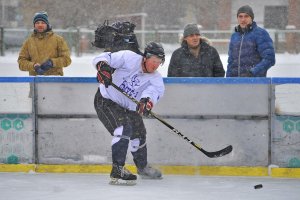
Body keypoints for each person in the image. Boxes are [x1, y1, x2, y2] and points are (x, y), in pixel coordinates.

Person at [92, 42, 165, 185]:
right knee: (123, 128)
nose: (155, 65)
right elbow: (103, 58)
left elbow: (153, 93)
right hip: (106, 100)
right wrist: (104, 69)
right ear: (145, 57)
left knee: (139, 132)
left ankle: (142, 167)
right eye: (153, 61)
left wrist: (146, 103)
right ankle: (117, 169)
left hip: (128, 108)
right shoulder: (129, 57)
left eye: (159, 62)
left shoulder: (156, 79)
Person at [226, 5, 275, 77]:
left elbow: (269, 59)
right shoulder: (234, 36)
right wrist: (228, 79)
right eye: (240, 16)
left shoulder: (260, 33)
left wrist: (252, 72)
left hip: (254, 83)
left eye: (246, 16)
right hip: (235, 83)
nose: (243, 19)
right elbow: (231, 62)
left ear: (251, 18)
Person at [18, 11, 71, 76]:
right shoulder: (28, 42)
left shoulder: (58, 40)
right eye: (37, 23)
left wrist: (52, 62)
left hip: (55, 80)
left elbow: (67, 59)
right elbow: (21, 62)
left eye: (43, 22)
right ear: (34, 25)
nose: (40, 25)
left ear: (47, 24)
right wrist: (33, 66)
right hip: (36, 81)